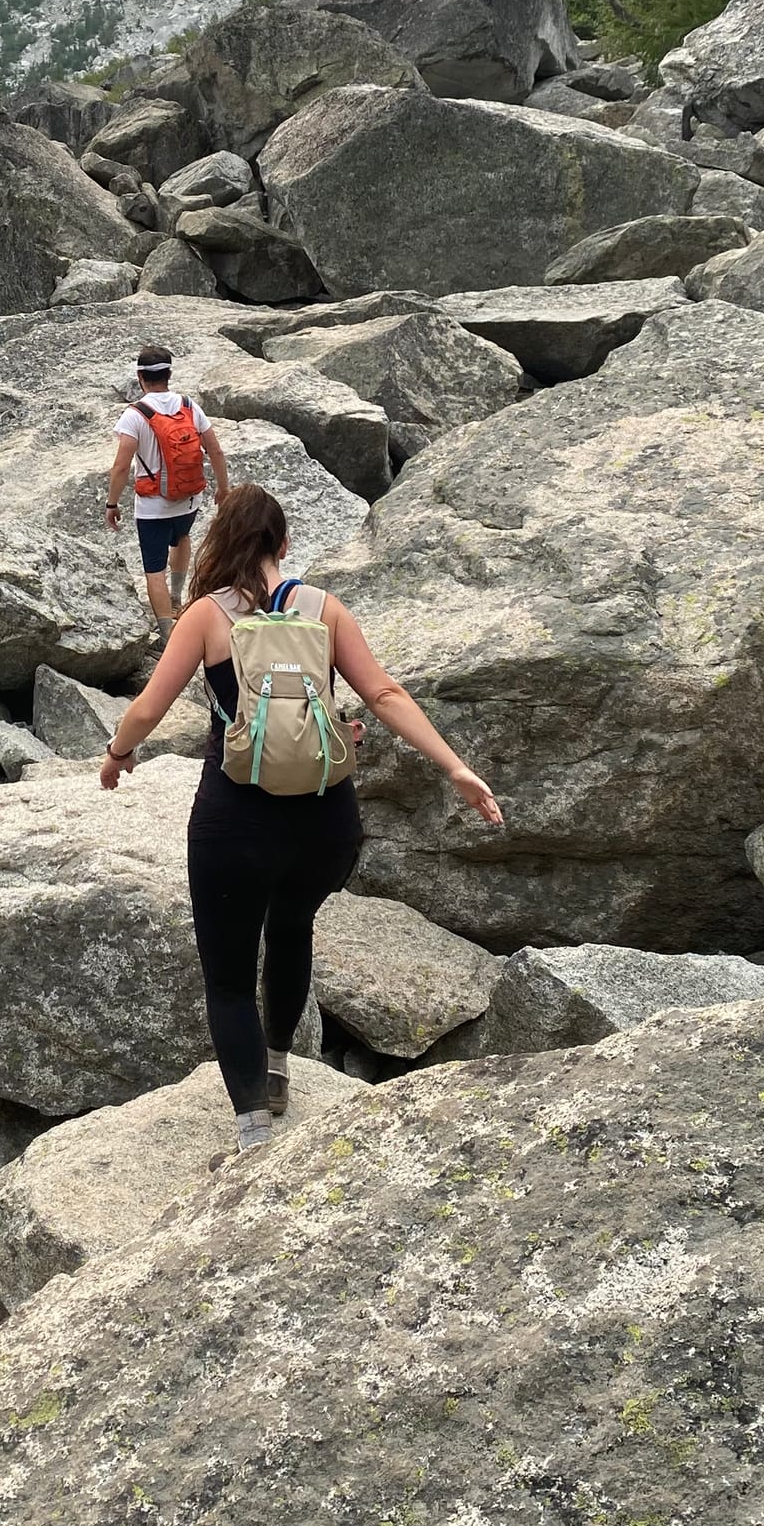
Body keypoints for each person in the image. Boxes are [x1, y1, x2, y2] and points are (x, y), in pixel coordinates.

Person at [99, 483, 502, 1156]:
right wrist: (454, 767)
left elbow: (147, 708)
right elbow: (383, 692)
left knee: (228, 976)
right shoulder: (324, 609)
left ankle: (255, 1132)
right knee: (290, 930)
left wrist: (117, 754)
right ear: (284, 543)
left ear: (221, 544)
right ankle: (281, 1063)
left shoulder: (204, 616)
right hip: (324, 821)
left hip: (235, 821)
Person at [104, 345, 230, 627]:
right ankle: (177, 599)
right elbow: (216, 450)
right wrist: (223, 488)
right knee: (181, 538)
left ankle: (167, 635)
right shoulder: (188, 406)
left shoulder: (135, 415)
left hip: (153, 506)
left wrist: (112, 503)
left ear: (140, 377)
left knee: (154, 570)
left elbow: (122, 466)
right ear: (169, 374)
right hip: (189, 499)